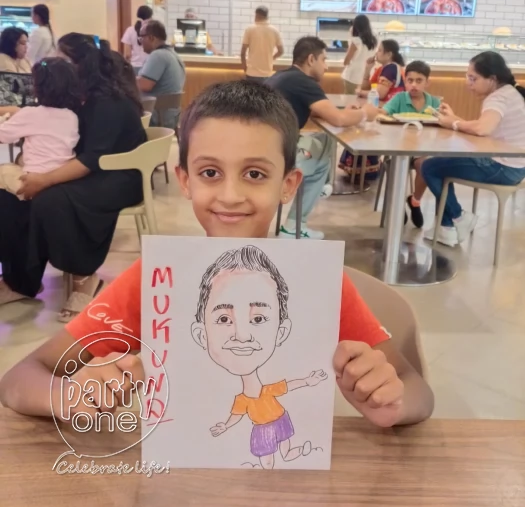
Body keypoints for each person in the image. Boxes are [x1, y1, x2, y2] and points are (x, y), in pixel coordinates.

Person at [0, 80, 434, 430]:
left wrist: (390, 402)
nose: (230, 195)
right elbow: (21, 379)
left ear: (287, 185)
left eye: (254, 173)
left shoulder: (317, 285)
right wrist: (72, 394)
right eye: (210, 172)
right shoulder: (156, 280)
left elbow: (417, 391)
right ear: (185, 180)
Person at [0, 33, 146, 321]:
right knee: (9, 196)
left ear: (82, 64)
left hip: (118, 175)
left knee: (49, 199)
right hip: (84, 168)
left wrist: (44, 179)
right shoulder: (78, 97)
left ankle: (84, 278)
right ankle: (20, 281)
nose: (56, 63)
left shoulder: (108, 102)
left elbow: (92, 159)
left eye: (63, 58)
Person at [196, 245, 328, 469]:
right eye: (224, 319)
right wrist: (225, 426)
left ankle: (299, 452)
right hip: (261, 429)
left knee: (286, 453)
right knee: (266, 461)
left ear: (281, 332)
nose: (242, 336)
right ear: (202, 335)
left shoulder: (268, 390)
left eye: (258, 319)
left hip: (280, 420)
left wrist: (308, 381)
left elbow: (289, 386)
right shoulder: (243, 400)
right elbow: (236, 416)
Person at [267, 36, 376, 239]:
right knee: (322, 151)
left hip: (265, 148)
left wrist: (346, 112)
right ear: (311, 59)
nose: (326, 67)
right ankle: (295, 224)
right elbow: (339, 120)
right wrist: (364, 113)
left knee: (324, 140)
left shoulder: (282, 76)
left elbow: (324, 113)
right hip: (279, 155)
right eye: (324, 60)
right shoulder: (304, 82)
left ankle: (323, 186)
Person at [421, 51, 525, 247]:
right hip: (517, 167)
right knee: (441, 166)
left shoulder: (497, 98)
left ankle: (458, 218)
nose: (468, 83)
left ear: (492, 79)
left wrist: (453, 123)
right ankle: (445, 229)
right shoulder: (511, 91)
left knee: (430, 167)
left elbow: (483, 129)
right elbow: (483, 128)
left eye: (473, 78)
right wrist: (455, 120)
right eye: (467, 77)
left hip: (502, 168)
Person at [0, 58, 81, 198]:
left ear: (37, 88)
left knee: (4, 170)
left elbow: (2, 136)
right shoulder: (72, 116)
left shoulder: (31, 114)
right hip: (62, 178)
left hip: (32, 181)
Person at [377, 60, 441, 228]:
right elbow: (383, 113)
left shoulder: (434, 102)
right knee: (396, 165)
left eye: (419, 81)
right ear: (405, 82)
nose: (414, 85)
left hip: (423, 149)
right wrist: (380, 114)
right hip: (398, 149)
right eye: (410, 80)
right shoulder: (399, 98)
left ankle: (415, 201)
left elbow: (443, 122)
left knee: (426, 165)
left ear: (427, 82)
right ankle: (397, 204)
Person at [137, 19, 185, 130]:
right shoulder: (173, 54)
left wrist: (124, 80)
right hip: (171, 116)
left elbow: (145, 85)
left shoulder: (158, 55)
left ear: (151, 38)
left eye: (141, 38)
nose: (140, 42)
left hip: (156, 116)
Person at [241, 6, 284, 83]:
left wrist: (245, 68)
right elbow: (281, 51)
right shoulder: (274, 31)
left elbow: (243, 52)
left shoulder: (249, 29)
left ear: (257, 15)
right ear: (266, 16)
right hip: (267, 74)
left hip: (251, 73)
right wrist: (271, 58)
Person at [342, 14, 377, 94]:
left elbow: (346, 61)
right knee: (364, 99)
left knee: (349, 99)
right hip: (368, 75)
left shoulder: (356, 41)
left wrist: (351, 36)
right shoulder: (374, 40)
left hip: (353, 76)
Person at [121, 5, 153, 74]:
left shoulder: (130, 30)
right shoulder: (153, 30)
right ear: (150, 17)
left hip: (134, 67)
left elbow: (127, 54)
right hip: (150, 66)